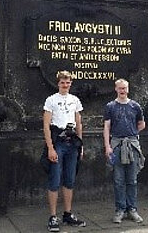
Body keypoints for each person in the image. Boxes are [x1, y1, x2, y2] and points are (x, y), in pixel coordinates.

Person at [43, 70, 86, 232]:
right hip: (58, 142)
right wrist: (50, 148)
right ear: (58, 83)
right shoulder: (51, 100)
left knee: (69, 179)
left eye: (68, 82)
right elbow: (46, 125)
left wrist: (80, 145)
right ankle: (53, 216)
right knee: (55, 179)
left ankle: (67, 213)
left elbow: (79, 123)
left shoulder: (75, 100)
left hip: (72, 142)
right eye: (62, 82)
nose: (65, 85)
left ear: (71, 83)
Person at [103, 79, 145, 224]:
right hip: (116, 145)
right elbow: (107, 127)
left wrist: (131, 134)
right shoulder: (110, 106)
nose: (122, 90)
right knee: (118, 180)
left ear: (128, 89)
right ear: (116, 89)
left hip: (132, 145)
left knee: (132, 180)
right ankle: (120, 209)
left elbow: (141, 124)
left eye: (125, 88)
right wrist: (108, 146)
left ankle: (132, 209)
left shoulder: (135, 106)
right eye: (120, 88)